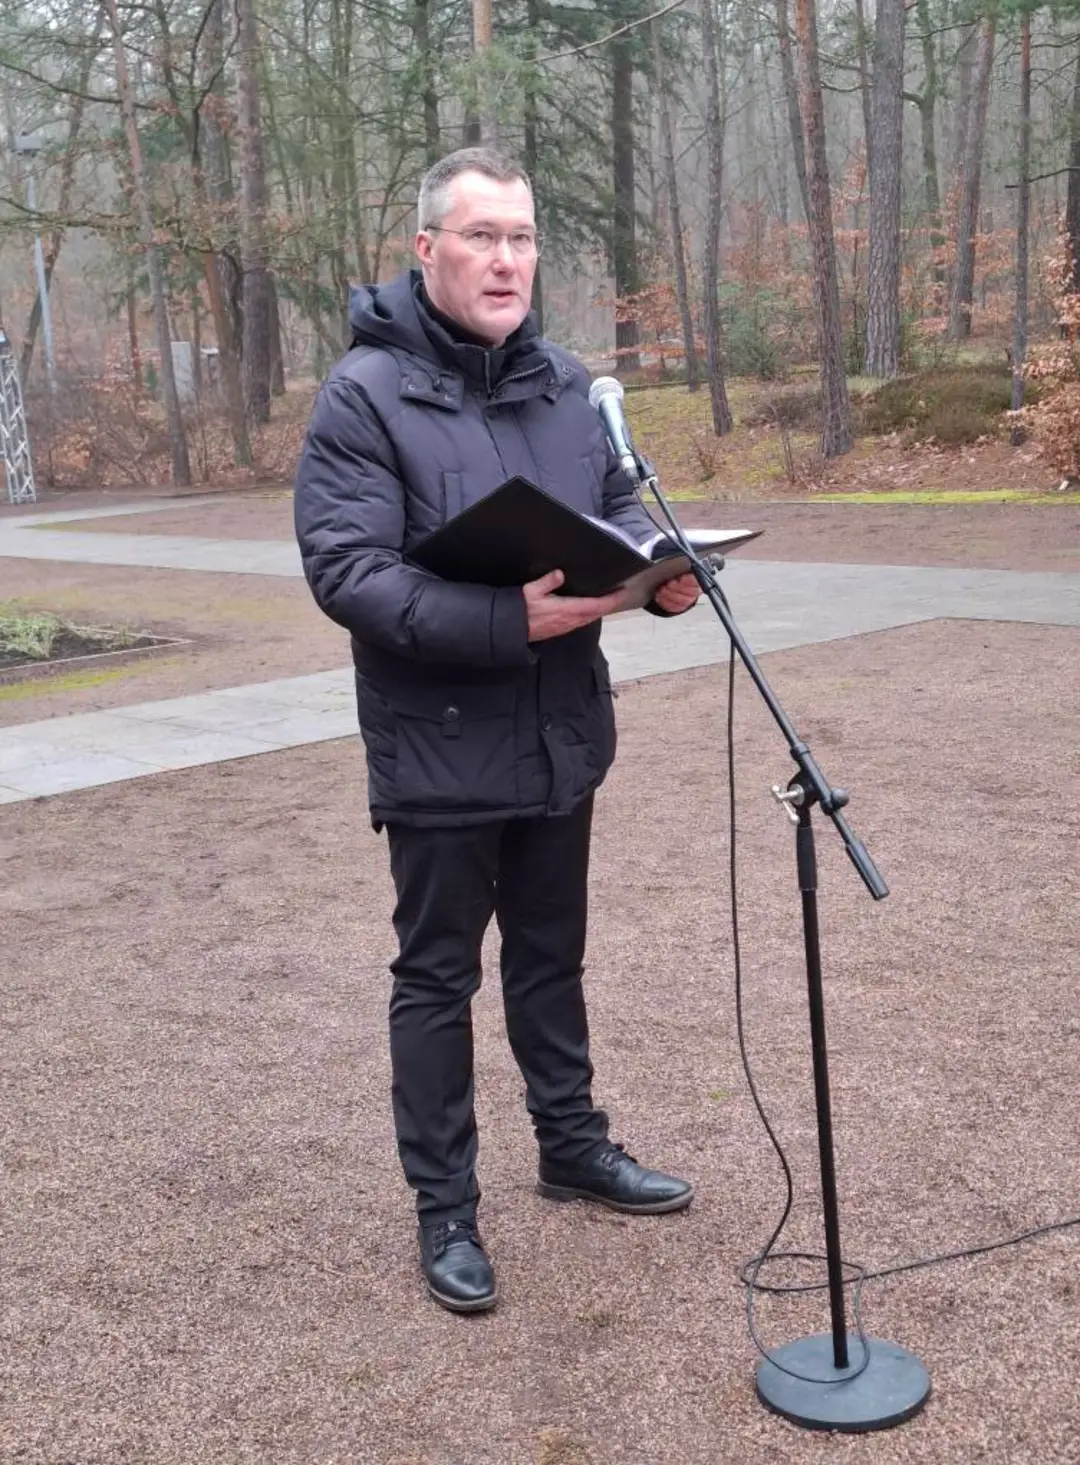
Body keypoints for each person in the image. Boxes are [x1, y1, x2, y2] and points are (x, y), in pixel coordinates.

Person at [294, 147, 701, 1315]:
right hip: (438, 739)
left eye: (522, 239)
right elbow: (348, 571)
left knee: (550, 958)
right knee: (435, 977)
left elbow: (616, 504)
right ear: (428, 250)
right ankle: (446, 1211)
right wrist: (498, 618)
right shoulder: (363, 396)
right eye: (482, 237)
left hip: (559, 729)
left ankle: (572, 1149)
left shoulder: (569, 382)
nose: (508, 260)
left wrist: (655, 571)